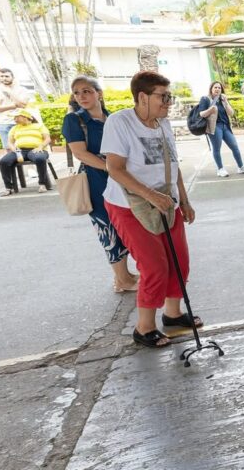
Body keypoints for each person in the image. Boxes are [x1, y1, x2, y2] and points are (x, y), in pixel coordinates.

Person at [103, 70, 202, 348]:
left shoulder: (163, 123)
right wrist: (150, 195)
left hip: (166, 202)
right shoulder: (120, 122)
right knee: (154, 266)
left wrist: (184, 200)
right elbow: (115, 168)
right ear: (142, 97)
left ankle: (173, 314)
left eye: (169, 96)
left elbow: (174, 165)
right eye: (163, 97)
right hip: (129, 205)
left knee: (179, 261)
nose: (169, 102)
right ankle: (144, 327)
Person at [62, 75, 139, 293]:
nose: (81, 96)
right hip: (96, 179)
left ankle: (124, 275)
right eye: (77, 93)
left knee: (123, 222)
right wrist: (111, 168)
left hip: (118, 176)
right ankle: (122, 279)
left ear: (99, 93)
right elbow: (80, 153)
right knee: (107, 226)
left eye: (87, 91)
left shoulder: (112, 118)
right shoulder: (74, 120)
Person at [196, 81, 244, 177]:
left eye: (219, 88)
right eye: (215, 87)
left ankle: (241, 166)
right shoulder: (205, 99)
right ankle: (220, 169)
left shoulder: (222, 99)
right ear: (211, 89)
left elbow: (231, 113)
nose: (217, 89)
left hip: (225, 126)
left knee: (234, 146)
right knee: (217, 148)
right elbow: (201, 114)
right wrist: (210, 110)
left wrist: (226, 102)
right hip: (214, 127)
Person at [0, 109, 53, 195]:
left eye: (17, 117)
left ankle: (42, 184)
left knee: (39, 158)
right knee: (4, 161)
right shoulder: (14, 128)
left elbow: (47, 139)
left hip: (36, 149)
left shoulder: (39, 126)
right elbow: (10, 142)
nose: (14, 119)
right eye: (14, 118)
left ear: (25, 117)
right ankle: (8, 188)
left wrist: (41, 147)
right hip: (19, 150)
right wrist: (15, 150)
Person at [0, 68, 34, 150]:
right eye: (1, 76)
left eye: (7, 76)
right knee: (9, 148)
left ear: (13, 77)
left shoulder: (22, 89)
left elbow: (23, 105)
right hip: (4, 122)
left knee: (25, 146)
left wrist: (10, 92)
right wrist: (13, 106)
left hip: (22, 122)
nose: (4, 78)